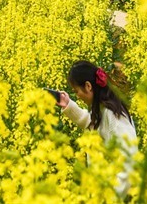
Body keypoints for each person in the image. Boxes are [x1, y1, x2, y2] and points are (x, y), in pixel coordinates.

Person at [53, 61, 138, 198]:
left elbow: (129, 159)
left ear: (88, 86)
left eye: (77, 91)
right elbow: (94, 124)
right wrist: (68, 105)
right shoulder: (101, 108)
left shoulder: (114, 116)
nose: (78, 96)